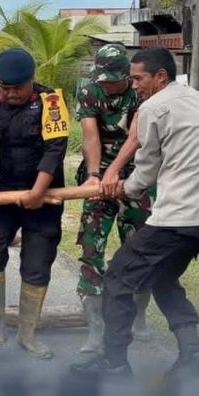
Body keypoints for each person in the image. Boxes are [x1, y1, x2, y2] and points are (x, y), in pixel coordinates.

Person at [72, 47, 199, 376]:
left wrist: (117, 186)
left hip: (176, 220)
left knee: (116, 279)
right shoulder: (198, 99)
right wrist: (104, 172)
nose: (134, 84)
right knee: (164, 277)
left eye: (139, 78)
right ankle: (193, 351)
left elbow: (143, 174)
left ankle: (113, 361)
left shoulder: (154, 106)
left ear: (160, 76)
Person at [0, 48, 69, 360]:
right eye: (4, 88)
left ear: (32, 81)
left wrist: (37, 192)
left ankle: (27, 333)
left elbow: (55, 151)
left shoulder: (52, 102)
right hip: (5, 191)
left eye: (16, 88)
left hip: (45, 193)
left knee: (37, 262)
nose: (9, 94)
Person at [74, 44, 154, 354]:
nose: (107, 85)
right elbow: (90, 136)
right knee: (92, 247)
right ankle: (96, 329)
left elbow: (137, 140)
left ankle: (139, 316)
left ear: (127, 75)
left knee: (140, 247)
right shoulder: (91, 92)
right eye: (103, 79)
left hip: (138, 175)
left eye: (113, 80)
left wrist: (121, 176)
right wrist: (96, 174)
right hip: (101, 176)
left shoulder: (140, 93)